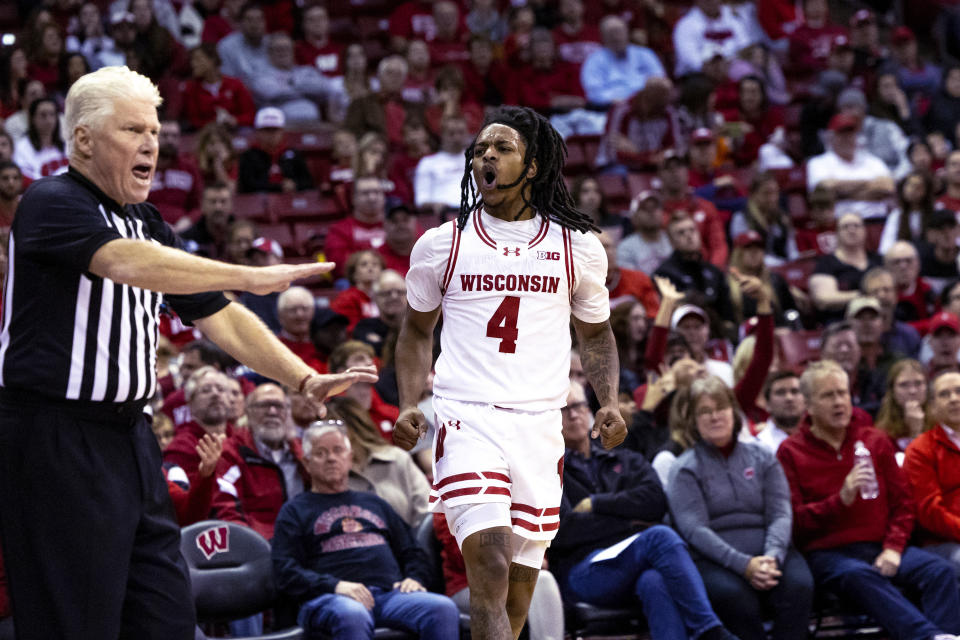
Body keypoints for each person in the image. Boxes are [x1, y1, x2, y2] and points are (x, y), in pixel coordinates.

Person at [0, 65, 378, 640]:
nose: (151, 143)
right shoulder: (49, 202)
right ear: (83, 140)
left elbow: (218, 315)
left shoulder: (148, 222)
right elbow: (123, 260)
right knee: (75, 621)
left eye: (154, 130)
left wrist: (303, 378)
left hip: (131, 437)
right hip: (55, 437)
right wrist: (250, 275)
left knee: (164, 615)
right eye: (132, 130)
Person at [393, 106, 626, 640]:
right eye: (479, 150)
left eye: (501, 148)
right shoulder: (442, 243)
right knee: (490, 566)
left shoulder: (576, 246)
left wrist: (609, 400)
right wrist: (410, 401)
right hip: (467, 418)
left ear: (534, 166)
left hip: (540, 426)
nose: (486, 157)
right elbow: (413, 331)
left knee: (521, 587)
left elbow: (596, 334)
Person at [777, 360, 960, 640]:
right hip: (828, 553)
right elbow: (795, 522)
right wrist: (840, 500)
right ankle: (930, 637)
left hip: (881, 545)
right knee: (858, 575)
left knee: (940, 572)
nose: (839, 402)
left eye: (843, 393)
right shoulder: (790, 452)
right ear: (809, 405)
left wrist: (894, 548)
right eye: (828, 395)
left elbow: (903, 504)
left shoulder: (874, 440)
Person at [554, 380, 737, 640]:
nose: (574, 414)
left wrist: (599, 505)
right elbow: (565, 530)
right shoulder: (549, 470)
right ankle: (710, 631)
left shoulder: (623, 458)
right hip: (584, 571)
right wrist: (631, 524)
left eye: (579, 406)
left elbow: (655, 501)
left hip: (635, 562)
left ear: (590, 411)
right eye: (564, 409)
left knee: (654, 582)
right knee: (659, 537)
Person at [272, 423, 460, 639]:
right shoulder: (294, 511)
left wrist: (414, 577)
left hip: (389, 595)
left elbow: (413, 550)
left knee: (442, 608)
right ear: (306, 463)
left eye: (337, 450)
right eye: (320, 453)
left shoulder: (375, 503)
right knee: (353, 613)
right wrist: (335, 586)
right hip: (329, 599)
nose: (331, 458)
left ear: (349, 457)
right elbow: (285, 571)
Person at [667, 376, 814, 640]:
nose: (715, 417)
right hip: (715, 559)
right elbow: (695, 530)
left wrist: (772, 557)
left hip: (772, 552)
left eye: (721, 408)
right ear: (693, 420)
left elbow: (781, 512)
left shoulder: (763, 457)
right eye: (705, 411)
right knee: (734, 597)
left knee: (799, 586)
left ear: (733, 412)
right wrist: (744, 565)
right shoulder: (684, 468)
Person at [212, 383, 306, 540]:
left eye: (279, 406)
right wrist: (250, 544)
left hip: (304, 541)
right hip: (258, 545)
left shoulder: (301, 452)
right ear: (248, 412)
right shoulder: (231, 453)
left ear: (288, 412)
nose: (272, 412)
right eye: (264, 405)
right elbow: (225, 509)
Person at [903, 371, 960, 571]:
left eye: (958, 391)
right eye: (945, 394)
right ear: (933, 406)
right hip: (941, 543)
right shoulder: (920, 449)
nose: (954, 399)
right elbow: (930, 513)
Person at [805, 113, 895, 221]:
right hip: (838, 222)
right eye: (842, 134)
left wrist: (841, 195)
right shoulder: (818, 162)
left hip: (877, 219)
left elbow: (888, 186)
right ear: (831, 137)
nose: (847, 138)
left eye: (850, 134)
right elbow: (823, 190)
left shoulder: (872, 161)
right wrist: (870, 186)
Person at [579, 15, 666, 108]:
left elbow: (660, 80)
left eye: (619, 31)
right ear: (603, 37)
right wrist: (617, 101)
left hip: (647, 105)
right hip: (611, 108)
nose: (616, 37)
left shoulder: (645, 54)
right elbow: (593, 93)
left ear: (627, 32)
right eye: (611, 33)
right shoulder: (594, 61)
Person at [237, 107, 313, 194]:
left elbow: (308, 182)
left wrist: (295, 184)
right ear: (257, 132)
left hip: (290, 201)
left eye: (274, 130)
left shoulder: (294, 154)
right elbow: (247, 185)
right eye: (266, 130)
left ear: (282, 131)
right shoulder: (249, 156)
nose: (271, 135)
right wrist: (278, 187)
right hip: (259, 204)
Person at [876, 359, 930, 458]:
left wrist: (917, 432)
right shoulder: (881, 433)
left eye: (918, 383)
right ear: (892, 391)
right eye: (904, 385)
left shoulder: (939, 425)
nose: (912, 391)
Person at [755, 371, 807, 454]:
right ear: (767, 404)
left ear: (806, 400)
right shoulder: (760, 446)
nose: (789, 398)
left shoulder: (820, 438)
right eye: (780, 392)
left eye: (795, 391)